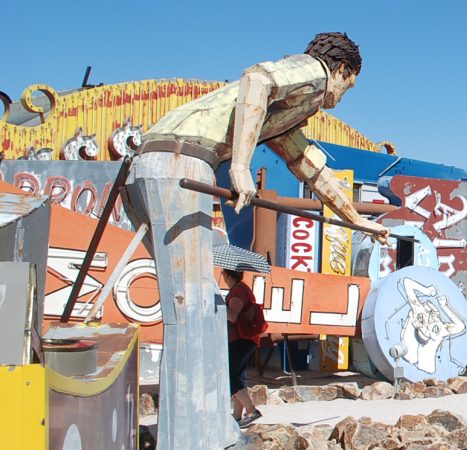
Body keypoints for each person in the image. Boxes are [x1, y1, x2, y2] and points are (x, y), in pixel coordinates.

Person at [121, 32, 389, 448]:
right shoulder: (313, 73)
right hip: (184, 162)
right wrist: (241, 166)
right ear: (340, 70)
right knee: (192, 308)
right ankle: (191, 439)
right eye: (347, 84)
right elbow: (258, 80)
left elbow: (311, 168)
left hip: (155, 165)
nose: (342, 94)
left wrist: (358, 221)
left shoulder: (286, 115)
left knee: (202, 304)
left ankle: (208, 427)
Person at [223, 268, 262, 427]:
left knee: (231, 375)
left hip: (241, 339)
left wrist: (218, 304)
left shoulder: (238, 291)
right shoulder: (242, 288)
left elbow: (232, 316)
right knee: (238, 375)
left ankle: (251, 410)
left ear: (226, 275)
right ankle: (237, 416)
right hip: (247, 339)